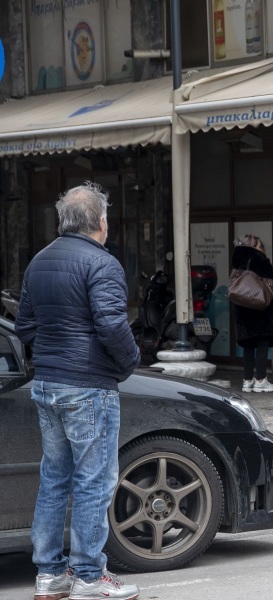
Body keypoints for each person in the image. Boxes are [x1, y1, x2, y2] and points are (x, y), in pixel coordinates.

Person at [15, 183, 141, 600]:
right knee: (93, 481)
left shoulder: (38, 261)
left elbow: (25, 327)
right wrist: (129, 362)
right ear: (101, 222)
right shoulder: (102, 264)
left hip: (48, 384)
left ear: (63, 221)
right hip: (88, 386)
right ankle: (88, 576)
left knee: (54, 478)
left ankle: (50, 575)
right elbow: (111, 325)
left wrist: (51, 357)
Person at [231, 235, 273, 393]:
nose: (263, 248)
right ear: (255, 247)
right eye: (261, 246)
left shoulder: (237, 260)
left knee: (248, 345)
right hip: (259, 308)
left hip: (242, 307)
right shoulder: (258, 259)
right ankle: (261, 380)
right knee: (262, 343)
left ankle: (247, 380)